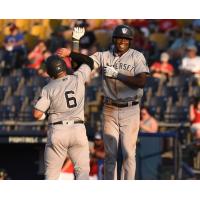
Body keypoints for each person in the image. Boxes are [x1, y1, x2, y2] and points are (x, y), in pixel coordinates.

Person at [58, 24, 149, 180]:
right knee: (110, 155)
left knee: (128, 153)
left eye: (126, 39)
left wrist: (117, 75)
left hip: (130, 108)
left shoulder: (137, 56)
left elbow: (141, 81)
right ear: (114, 39)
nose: (122, 41)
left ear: (130, 41)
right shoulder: (103, 56)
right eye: (120, 38)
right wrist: (74, 44)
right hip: (110, 108)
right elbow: (79, 64)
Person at [33, 54, 93, 180]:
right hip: (78, 129)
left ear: (49, 72)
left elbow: (37, 114)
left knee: (52, 176)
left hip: (58, 131)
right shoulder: (78, 77)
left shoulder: (48, 88)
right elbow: (89, 61)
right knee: (82, 173)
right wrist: (70, 53)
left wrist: (45, 113)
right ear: (64, 66)